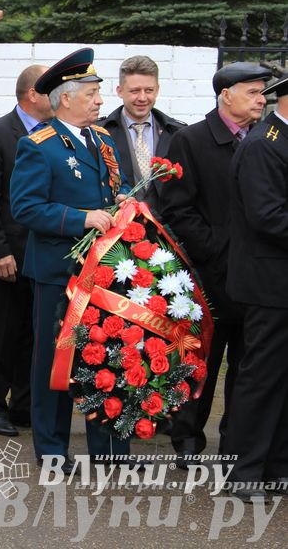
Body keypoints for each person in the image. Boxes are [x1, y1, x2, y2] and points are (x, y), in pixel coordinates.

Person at [10, 48, 132, 473]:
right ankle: (52, 453)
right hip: (58, 273)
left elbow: (119, 188)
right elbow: (24, 208)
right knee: (55, 363)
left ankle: (110, 452)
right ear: (66, 98)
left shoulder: (103, 140)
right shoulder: (38, 145)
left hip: (103, 272)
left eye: (99, 93)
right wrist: (82, 219)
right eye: (93, 94)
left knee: (105, 356)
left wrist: (122, 202)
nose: (101, 101)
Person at [157, 62, 270, 468]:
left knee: (249, 364)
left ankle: (236, 441)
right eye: (253, 92)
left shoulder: (264, 139)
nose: (261, 99)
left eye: (263, 92)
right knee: (200, 359)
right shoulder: (191, 139)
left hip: (256, 275)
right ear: (225, 94)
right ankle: (187, 436)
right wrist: (218, 254)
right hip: (209, 273)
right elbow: (178, 207)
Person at [0, 64, 51, 437]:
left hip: (41, 257)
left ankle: (23, 405)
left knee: (32, 335)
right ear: (32, 94)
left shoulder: (55, 136)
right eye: (52, 89)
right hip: (4, 255)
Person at [226, 74, 288, 503]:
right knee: (261, 378)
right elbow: (267, 215)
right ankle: (244, 472)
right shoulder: (265, 142)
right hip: (269, 282)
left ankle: (277, 468)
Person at [97, 55, 185, 207]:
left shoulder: (178, 133)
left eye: (149, 90)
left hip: (167, 227)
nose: (142, 97)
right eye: (135, 91)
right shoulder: (99, 133)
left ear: (157, 90)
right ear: (119, 91)